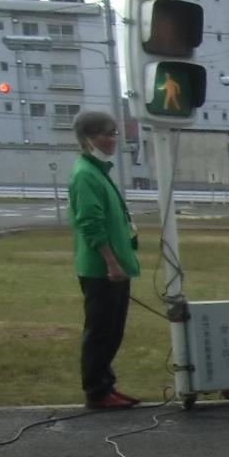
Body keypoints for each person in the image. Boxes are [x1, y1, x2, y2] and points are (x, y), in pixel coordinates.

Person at [67, 109, 141, 409]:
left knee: (113, 331)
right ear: (88, 138)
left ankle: (106, 384)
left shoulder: (98, 171)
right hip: (102, 270)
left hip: (116, 268)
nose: (112, 140)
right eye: (106, 134)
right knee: (101, 331)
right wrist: (110, 261)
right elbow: (90, 223)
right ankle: (97, 391)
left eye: (114, 134)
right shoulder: (85, 174)